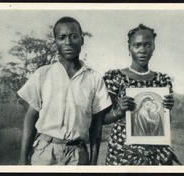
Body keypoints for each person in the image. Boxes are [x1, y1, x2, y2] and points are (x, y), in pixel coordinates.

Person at [17, 16, 112, 165]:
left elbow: (96, 125)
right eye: (62, 37)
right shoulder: (43, 74)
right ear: (55, 42)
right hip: (45, 152)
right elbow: (30, 117)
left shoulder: (94, 78)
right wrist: (23, 159)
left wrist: (93, 164)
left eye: (74, 36)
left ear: (82, 40)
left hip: (78, 155)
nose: (68, 42)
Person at [103, 24, 180, 165]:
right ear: (129, 47)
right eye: (137, 45)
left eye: (148, 45)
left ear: (154, 47)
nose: (143, 50)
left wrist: (167, 110)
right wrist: (120, 111)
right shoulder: (115, 77)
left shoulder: (162, 80)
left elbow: (164, 122)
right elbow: (103, 119)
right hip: (122, 153)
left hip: (157, 153)